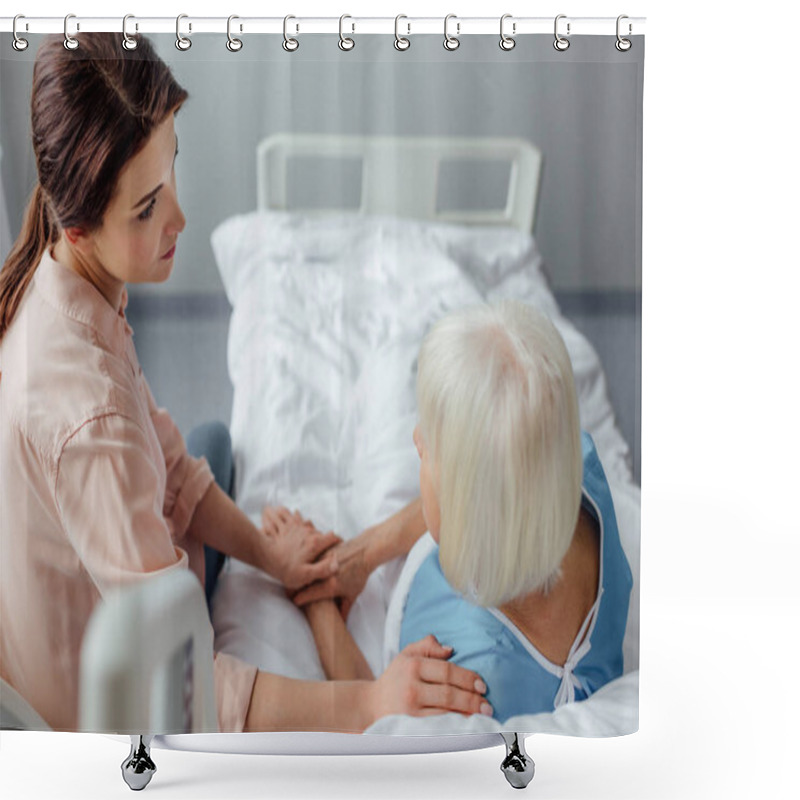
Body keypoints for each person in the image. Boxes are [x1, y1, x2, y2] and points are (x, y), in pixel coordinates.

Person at [0, 33, 489, 733]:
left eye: (172, 176)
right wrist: (373, 700)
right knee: (208, 465)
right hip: (99, 704)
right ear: (78, 227)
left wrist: (275, 558)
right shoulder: (89, 415)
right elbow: (179, 677)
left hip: (90, 585)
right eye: (146, 209)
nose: (178, 219)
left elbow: (165, 458)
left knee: (208, 445)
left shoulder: (66, 283)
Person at [297, 301, 632, 722]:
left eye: (431, 448)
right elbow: (492, 488)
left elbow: (379, 714)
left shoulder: (463, 678)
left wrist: (314, 601)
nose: (417, 439)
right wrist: (363, 553)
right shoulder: (574, 472)